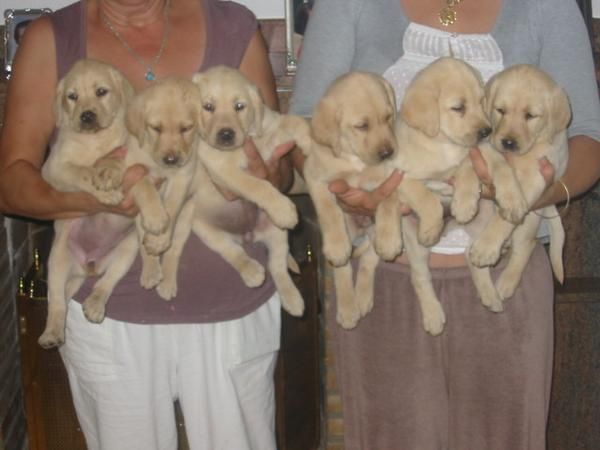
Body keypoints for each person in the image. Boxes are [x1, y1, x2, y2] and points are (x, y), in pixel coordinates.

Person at [290, 0, 600, 449]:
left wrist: (538, 195)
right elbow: (305, 120)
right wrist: (354, 193)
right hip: (385, 274)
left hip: (506, 277)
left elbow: (589, 134)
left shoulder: (546, 6)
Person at [0, 1, 295, 449]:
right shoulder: (51, 38)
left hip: (232, 306)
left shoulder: (232, 26)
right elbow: (11, 180)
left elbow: (281, 165)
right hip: (111, 315)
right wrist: (98, 199)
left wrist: (269, 174)